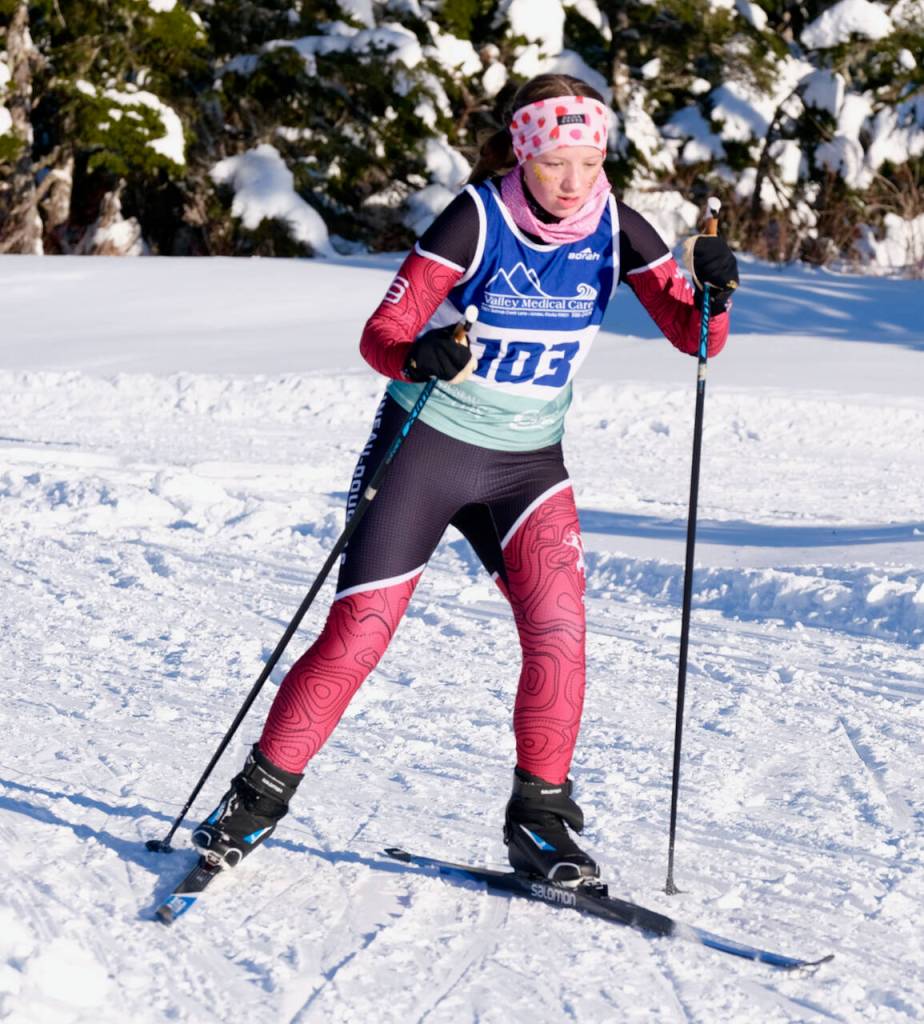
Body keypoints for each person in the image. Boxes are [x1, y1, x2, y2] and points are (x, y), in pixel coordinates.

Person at [193, 73, 739, 884]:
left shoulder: (617, 225)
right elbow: (382, 335)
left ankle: (540, 824)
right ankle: (255, 801)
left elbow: (697, 339)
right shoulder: (477, 218)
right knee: (361, 632)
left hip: (527, 464)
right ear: (522, 154)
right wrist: (418, 356)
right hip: (425, 451)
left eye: (590, 163)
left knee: (559, 629)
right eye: (556, 163)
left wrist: (715, 295)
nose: (574, 182)